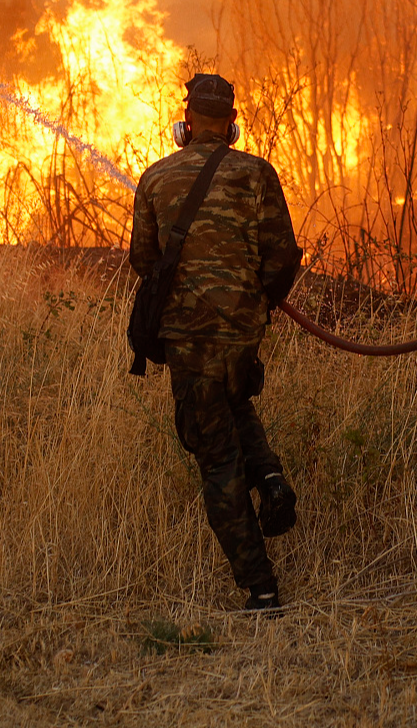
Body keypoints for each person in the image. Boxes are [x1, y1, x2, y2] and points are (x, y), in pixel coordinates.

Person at [129, 72, 305, 611]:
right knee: (232, 402)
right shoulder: (258, 174)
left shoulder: (156, 177)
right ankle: (272, 478)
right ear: (231, 125)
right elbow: (283, 259)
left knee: (217, 459)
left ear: (185, 125)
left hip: (188, 337)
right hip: (241, 335)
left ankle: (261, 588)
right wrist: (252, 305)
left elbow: (143, 261)